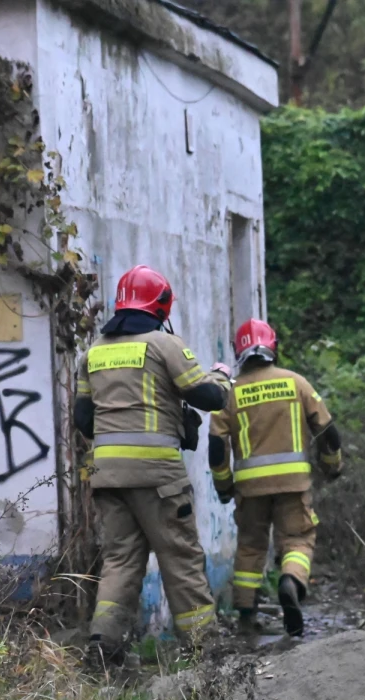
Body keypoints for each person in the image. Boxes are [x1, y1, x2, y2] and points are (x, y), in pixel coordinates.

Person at [74, 264, 231, 666]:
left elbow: (84, 420)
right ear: (162, 305)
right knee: (180, 559)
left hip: (108, 477)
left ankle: (102, 647)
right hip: (159, 477)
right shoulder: (166, 346)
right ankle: (204, 655)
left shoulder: (92, 352)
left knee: (120, 560)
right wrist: (223, 377)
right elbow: (210, 397)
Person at [208, 319, 343, 637]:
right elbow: (327, 430)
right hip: (293, 485)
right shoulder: (296, 383)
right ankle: (291, 581)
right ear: (273, 348)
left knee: (251, 547)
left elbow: (216, 446)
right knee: (298, 540)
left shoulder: (231, 393)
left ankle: (245, 615)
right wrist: (331, 465)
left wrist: (224, 485)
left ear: (239, 351)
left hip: (250, 489)